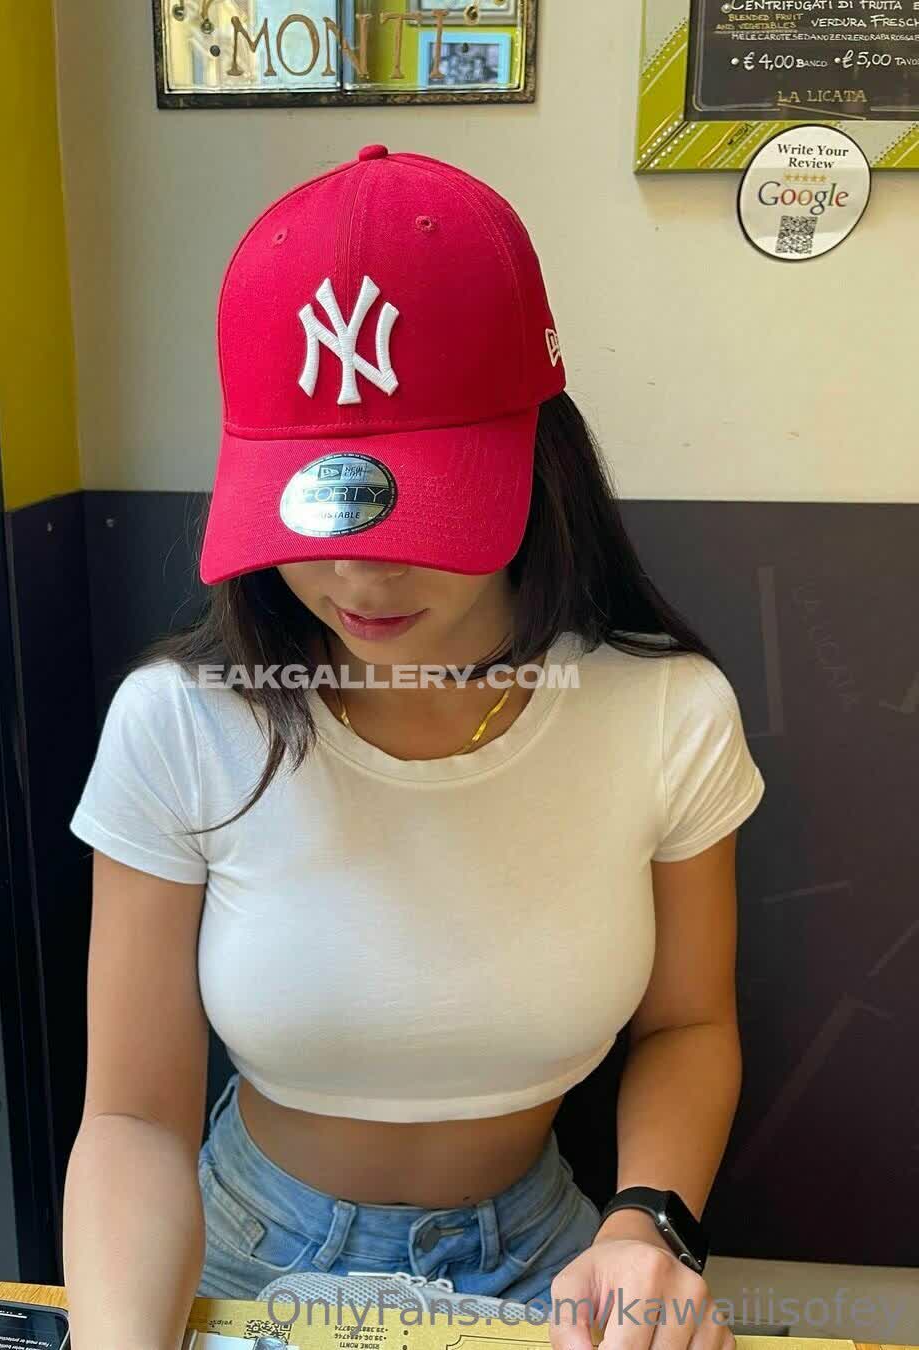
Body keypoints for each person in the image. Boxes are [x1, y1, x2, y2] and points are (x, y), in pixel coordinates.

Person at [61, 146, 766, 1350]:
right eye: (315, 506)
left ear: (537, 456)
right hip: (235, 1253)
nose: (358, 575)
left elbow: (688, 1026)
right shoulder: (179, 724)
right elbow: (131, 1118)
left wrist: (647, 1225)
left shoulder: (667, 714)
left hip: (550, 1265)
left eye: (414, 507)